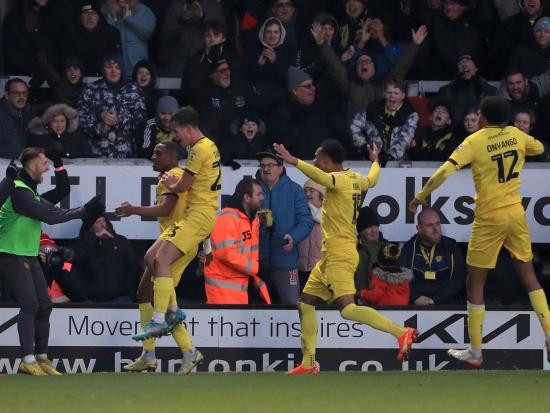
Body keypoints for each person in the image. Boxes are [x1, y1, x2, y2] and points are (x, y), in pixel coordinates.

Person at [409, 96, 550, 367]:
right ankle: (548, 335)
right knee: (530, 277)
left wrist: (421, 196)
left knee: (475, 281)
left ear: (483, 117)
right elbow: (540, 148)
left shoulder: (475, 141)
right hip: (516, 214)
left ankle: (476, 351)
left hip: (489, 217)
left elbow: (445, 170)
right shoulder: (516, 134)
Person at [273, 139, 418, 374]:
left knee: (348, 309)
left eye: (317, 157)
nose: (314, 161)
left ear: (328, 160)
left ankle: (401, 332)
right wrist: (375, 161)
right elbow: (373, 179)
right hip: (332, 255)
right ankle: (308, 363)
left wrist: (292, 161)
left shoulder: (338, 180)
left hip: (339, 254)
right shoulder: (356, 179)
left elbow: (322, 178)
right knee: (306, 303)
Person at [132, 106, 221, 375]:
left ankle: (162, 327)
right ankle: (164, 349)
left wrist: (170, 182)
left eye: (177, 132)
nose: (178, 137)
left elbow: (174, 201)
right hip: (188, 227)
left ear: (187, 128)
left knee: (159, 266)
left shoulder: (191, 158)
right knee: (151, 268)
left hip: (189, 229)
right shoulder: (209, 148)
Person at [0, 147, 104, 376]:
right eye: (44, 163)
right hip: (10, 254)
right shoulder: (20, 192)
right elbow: (51, 217)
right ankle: (27, 359)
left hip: (27, 254)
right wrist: (84, 210)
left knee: (45, 305)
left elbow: (54, 211)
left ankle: (42, 358)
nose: (46, 168)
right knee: (30, 305)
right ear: (31, 166)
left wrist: (83, 211)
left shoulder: (30, 192)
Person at [115, 142, 196, 372]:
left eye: (158, 153)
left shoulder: (171, 176)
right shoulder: (177, 177)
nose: (153, 157)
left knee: (166, 301)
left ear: (173, 157)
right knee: (143, 293)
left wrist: (133, 209)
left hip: (177, 243)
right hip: (173, 241)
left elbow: (166, 209)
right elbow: (191, 209)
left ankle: (188, 351)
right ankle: (148, 355)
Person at [255, 149, 312, 304]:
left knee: (292, 308)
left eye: (270, 165)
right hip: (256, 263)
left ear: (281, 168)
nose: (265, 169)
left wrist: (293, 236)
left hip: (286, 264)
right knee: (254, 311)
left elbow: (306, 222)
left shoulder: (295, 190)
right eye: (262, 165)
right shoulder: (252, 189)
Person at [204, 178, 270, 304]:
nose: (262, 198)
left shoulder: (252, 219)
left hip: (246, 285)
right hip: (223, 291)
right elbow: (227, 254)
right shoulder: (227, 218)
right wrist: (257, 268)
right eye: (259, 194)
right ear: (246, 197)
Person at [78, 53, 146, 158]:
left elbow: (140, 120)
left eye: (117, 67)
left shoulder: (134, 89)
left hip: (126, 157)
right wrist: (103, 127)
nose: (113, 71)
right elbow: (82, 121)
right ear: (103, 69)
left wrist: (118, 119)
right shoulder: (90, 89)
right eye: (109, 67)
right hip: (96, 156)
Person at [399, 208, 466, 305]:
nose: (435, 229)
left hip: (446, 303)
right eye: (429, 225)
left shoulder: (451, 246)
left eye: (437, 224)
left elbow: (458, 280)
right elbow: (401, 278)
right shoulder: (409, 247)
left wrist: (435, 300)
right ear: (419, 228)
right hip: (416, 303)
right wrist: (415, 297)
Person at [72, 214, 141, 303]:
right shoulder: (82, 243)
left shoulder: (121, 241)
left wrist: (128, 292)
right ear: (90, 227)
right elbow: (75, 260)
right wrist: (94, 238)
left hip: (120, 298)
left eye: (103, 220)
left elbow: (134, 268)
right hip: (90, 300)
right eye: (97, 222)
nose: (103, 224)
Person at [27, 103, 92, 158]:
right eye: (55, 121)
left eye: (62, 121)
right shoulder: (40, 138)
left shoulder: (77, 136)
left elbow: (87, 153)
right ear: (48, 123)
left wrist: (67, 154)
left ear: (67, 122)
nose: (59, 125)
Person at [298, 179, 324, 292]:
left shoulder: (332, 216)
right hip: (300, 271)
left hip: (322, 273)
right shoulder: (298, 213)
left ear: (321, 195)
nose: (307, 194)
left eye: (311, 191)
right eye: (305, 191)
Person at [354, 205, 386, 295]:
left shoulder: (387, 250)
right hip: (352, 302)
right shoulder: (351, 250)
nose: (374, 230)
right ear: (360, 231)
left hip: (379, 303)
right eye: (369, 227)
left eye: (376, 226)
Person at [0, 79, 34, 159]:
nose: (21, 97)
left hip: (24, 166)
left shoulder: (30, 115)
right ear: (7, 95)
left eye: (24, 93)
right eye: (16, 93)